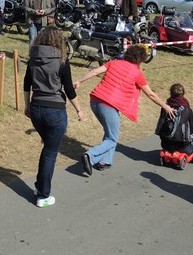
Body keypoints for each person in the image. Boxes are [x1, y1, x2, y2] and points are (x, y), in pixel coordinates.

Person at [75, 45, 173, 174]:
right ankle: (90, 156)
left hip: (95, 101)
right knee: (112, 139)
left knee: (109, 132)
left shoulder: (114, 62)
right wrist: (165, 106)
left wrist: (79, 81)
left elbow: (94, 72)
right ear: (140, 60)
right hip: (109, 106)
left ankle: (105, 161)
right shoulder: (137, 73)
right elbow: (151, 94)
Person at [25, 26, 84, 206]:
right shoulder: (61, 61)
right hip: (55, 111)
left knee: (47, 150)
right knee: (50, 153)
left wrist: (27, 106)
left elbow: (27, 84)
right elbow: (69, 89)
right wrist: (79, 109)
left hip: (36, 109)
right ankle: (43, 195)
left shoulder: (33, 59)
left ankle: (40, 186)